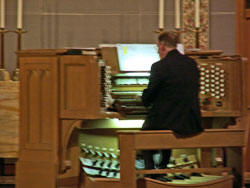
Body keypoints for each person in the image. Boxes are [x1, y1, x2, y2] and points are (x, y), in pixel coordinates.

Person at [141, 31, 203, 177]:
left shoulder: (160, 66)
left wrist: (143, 98)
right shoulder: (191, 64)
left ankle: (151, 174)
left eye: (157, 47)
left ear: (162, 45)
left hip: (169, 120)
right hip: (190, 119)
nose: (157, 51)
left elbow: (149, 97)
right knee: (164, 121)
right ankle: (163, 168)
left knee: (144, 134)